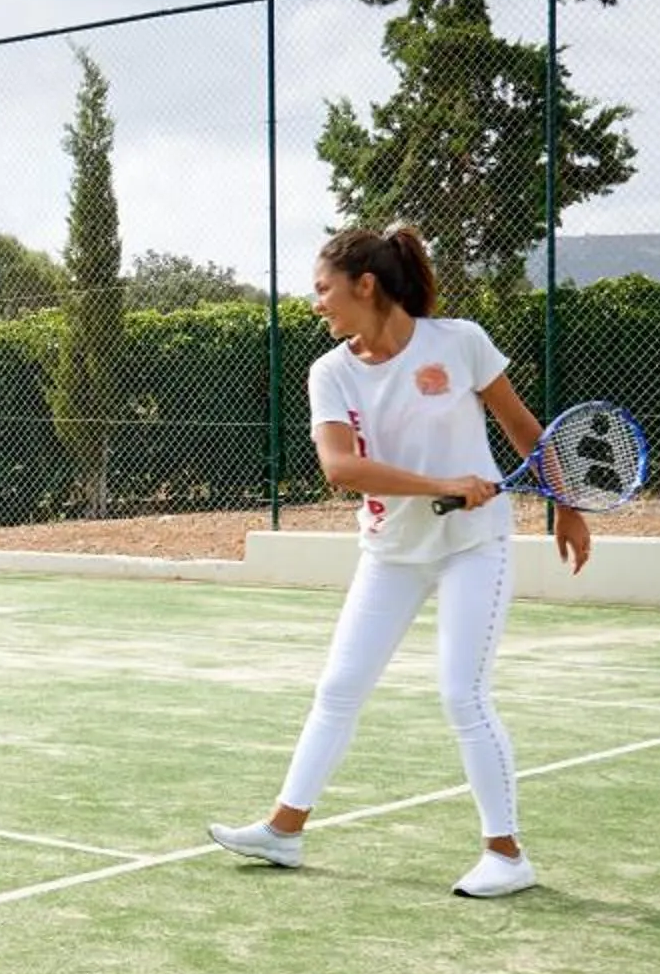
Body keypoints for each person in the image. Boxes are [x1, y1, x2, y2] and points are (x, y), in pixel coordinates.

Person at [208, 224, 591, 898]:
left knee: (461, 695)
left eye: (323, 289)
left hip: (475, 547)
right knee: (338, 688)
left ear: (366, 285)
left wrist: (567, 503)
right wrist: (445, 484)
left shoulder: (460, 342)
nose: (316, 303)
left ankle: (506, 855)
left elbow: (524, 427)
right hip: (390, 552)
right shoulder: (330, 372)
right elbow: (341, 467)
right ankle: (284, 831)